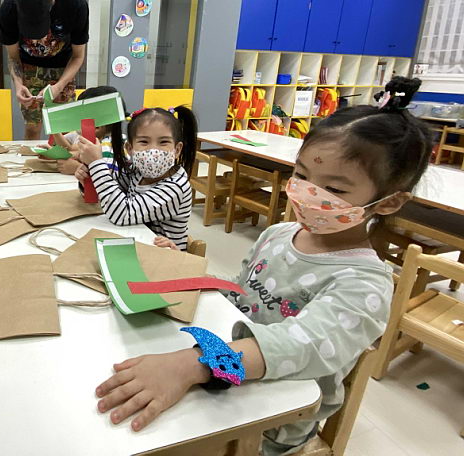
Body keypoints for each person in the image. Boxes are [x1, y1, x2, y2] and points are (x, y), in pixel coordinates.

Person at [93, 77, 433, 456]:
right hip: (224, 371)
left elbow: (299, 346)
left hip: (273, 423)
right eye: (301, 175)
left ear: (388, 202)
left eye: (335, 189)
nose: (308, 193)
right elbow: (242, 293)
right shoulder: (279, 234)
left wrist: (193, 364)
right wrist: (184, 270)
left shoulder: (365, 285)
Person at [76, 106, 197, 250]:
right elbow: (111, 193)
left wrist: (97, 164)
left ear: (177, 150)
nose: (153, 151)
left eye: (163, 142)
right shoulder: (138, 171)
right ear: (129, 148)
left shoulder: (175, 186)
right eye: (144, 142)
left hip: (166, 255)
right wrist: (88, 179)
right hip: (138, 242)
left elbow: (121, 213)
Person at [0, 0, 89, 139]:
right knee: (32, 126)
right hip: (29, 66)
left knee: (65, 128)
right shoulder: (8, 10)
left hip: (64, 67)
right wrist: (18, 84)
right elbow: (13, 57)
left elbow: (78, 57)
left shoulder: (75, 5)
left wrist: (59, 86)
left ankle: (64, 158)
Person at [45, 86, 125, 175]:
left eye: (79, 116)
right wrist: (53, 154)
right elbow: (74, 152)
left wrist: (76, 168)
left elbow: (108, 176)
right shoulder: (95, 141)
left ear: (97, 127)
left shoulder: (108, 145)